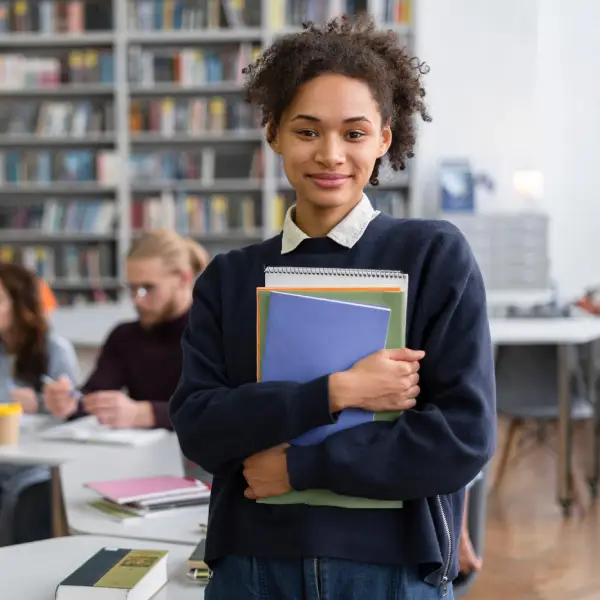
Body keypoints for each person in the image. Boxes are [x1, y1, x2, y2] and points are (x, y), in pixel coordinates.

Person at [170, 15, 496, 599]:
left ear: (385, 139)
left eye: (353, 133)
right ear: (272, 133)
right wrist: (335, 392)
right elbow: (200, 429)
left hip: (391, 569)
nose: (330, 155)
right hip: (253, 567)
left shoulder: (431, 256)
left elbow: (460, 439)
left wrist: (299, 468)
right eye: (306, 131)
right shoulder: (229, 277)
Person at [43, 229, 209, 430]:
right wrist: (68, 403)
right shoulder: (124, 337)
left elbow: (226, 409)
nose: (137, 299)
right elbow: (92, 397)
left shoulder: (217, 334)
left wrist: (145, 413)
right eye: (132, 288)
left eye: (148, 288)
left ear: (183, 279)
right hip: (139, 457)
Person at [0, 262, 78, 544]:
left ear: (20, 306)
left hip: (36, 468)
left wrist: (45, 404)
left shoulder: (55, 350)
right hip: (3, 462)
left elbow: (75, 411)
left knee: (29, 514)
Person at [0, 263, 78, 409]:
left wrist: (39, 401)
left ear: (21, 306)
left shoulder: (57, 349)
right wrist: (7, 396)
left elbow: (72, 405)